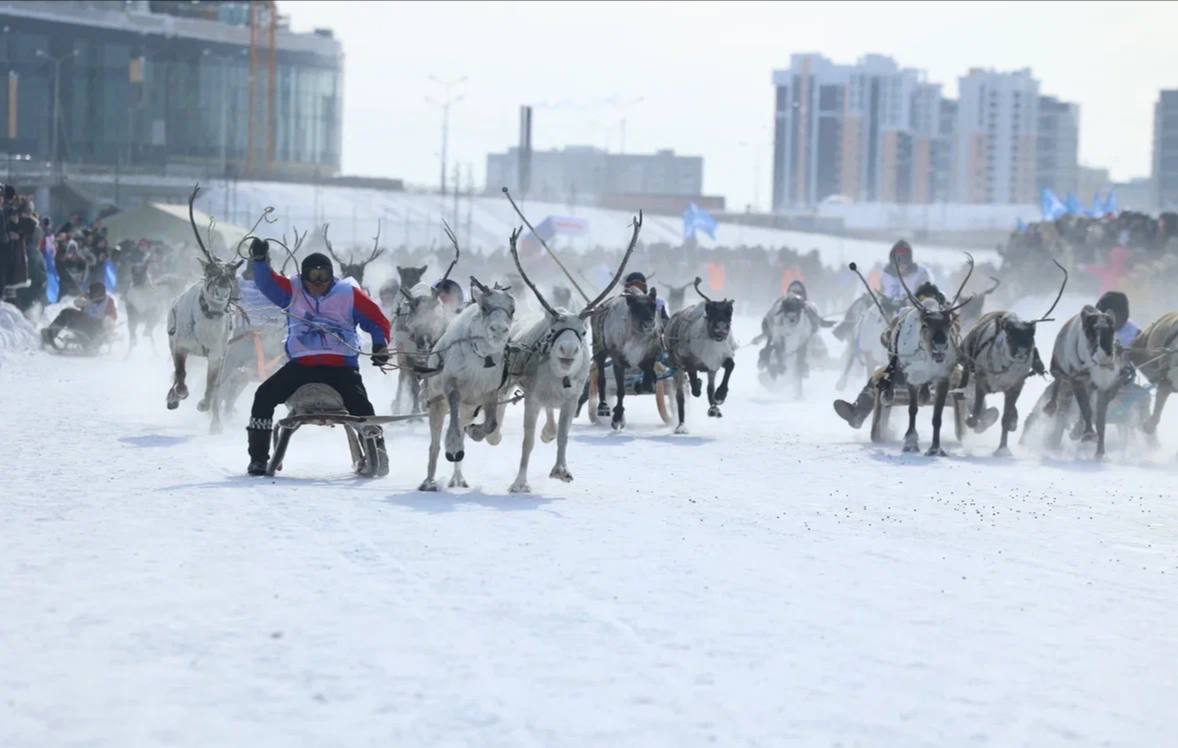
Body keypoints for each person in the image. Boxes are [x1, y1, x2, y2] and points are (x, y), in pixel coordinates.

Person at [244, 239, 392, 476]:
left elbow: (376, 320)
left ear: (331, 276)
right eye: (313, 278)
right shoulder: (292, 290)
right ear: (304, 278)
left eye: (324, 278)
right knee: (263, 396)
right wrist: (260, 261)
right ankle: (258, 458)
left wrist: (379, 345)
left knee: (361, 406)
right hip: (301, 366)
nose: (319, 284)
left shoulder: (348, 293)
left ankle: (378, 452)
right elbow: (267, 284)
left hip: (341, 367)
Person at [41, 280, 117, 349]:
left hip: (96, 327)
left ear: (101, 293)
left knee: (77, 316)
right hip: (83, 323)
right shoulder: (87, 296)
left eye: (95, 293)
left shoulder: (108, 301)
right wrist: (82, 302)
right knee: (67, 312)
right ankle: (50, 333)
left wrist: (108, 321)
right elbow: (77, 302)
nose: (92, 295)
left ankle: (91, 343)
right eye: (91, 293)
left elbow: (112, 315)